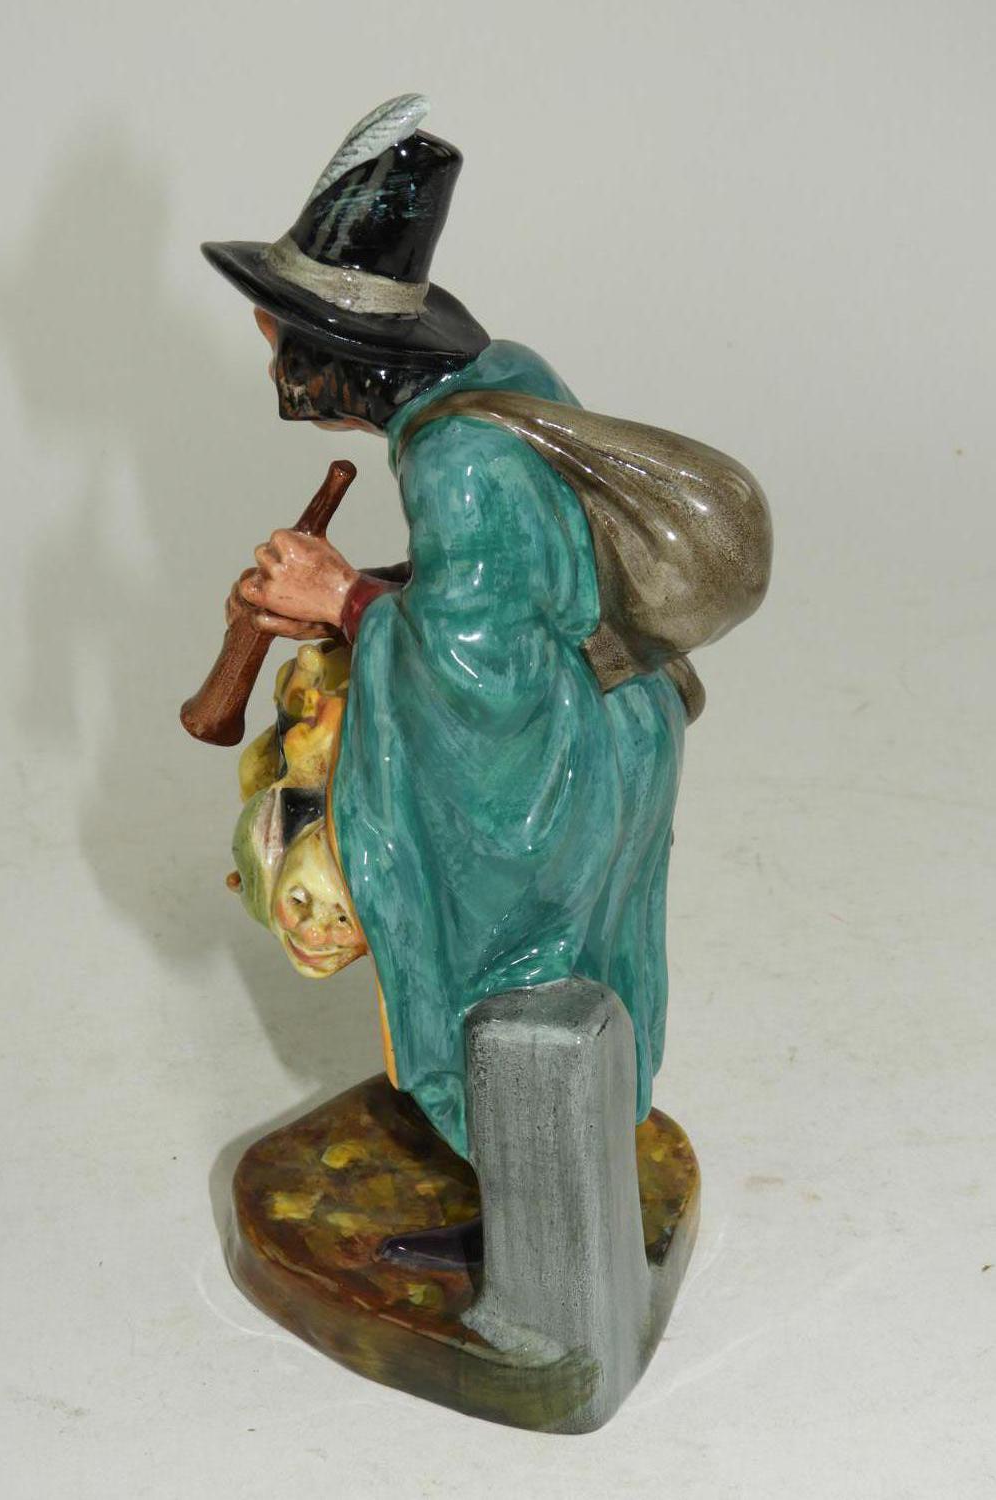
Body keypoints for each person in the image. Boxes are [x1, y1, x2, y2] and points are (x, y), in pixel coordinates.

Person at [204, 96, 769, 1253]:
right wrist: (365, 590)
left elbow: (484, 672)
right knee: (578, 982)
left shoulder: (453, 459)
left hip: (551, 763)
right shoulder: (500, 381)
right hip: (610, 722)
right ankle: (556, 1200)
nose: (269, 354)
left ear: (332, 357)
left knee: (508, 986)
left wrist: (342, 601)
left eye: (280, 333)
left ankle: (539, 1239)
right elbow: (508, 582)